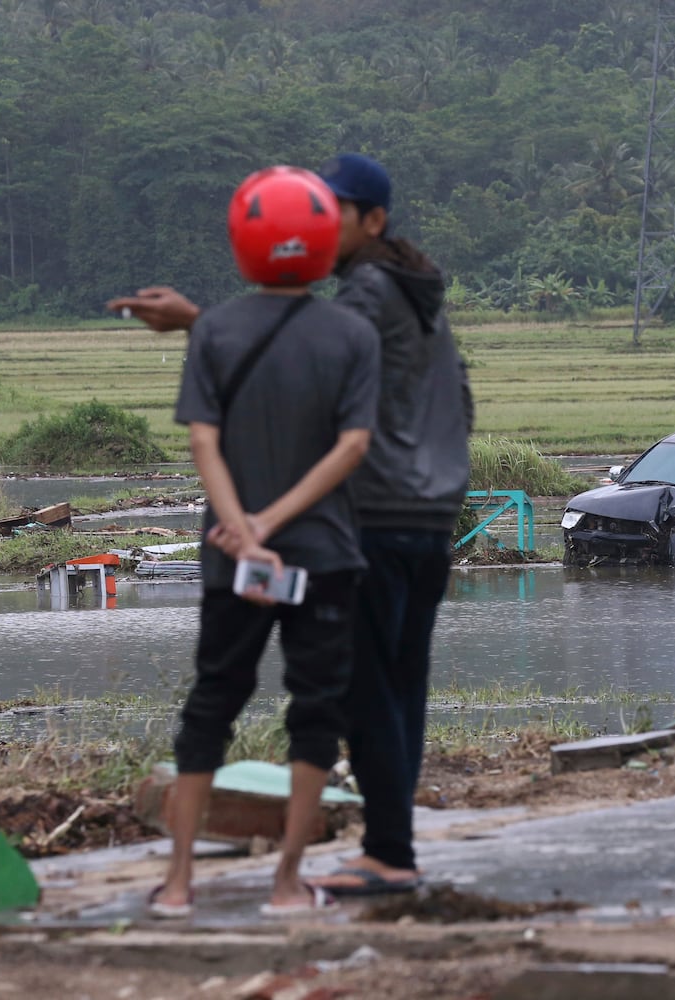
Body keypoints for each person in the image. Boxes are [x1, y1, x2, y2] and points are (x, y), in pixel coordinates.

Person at [112, 153, 473, 897]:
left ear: (371, 221)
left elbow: (298, 352)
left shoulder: (367, 292)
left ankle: (388, 853)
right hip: (432, 510)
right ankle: (392, 848)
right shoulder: (411, 285)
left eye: (329, 208)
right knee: (402, 685)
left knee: (366, 693)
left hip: (374, 513)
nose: (311, 217)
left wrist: (197, 324)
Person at [147, 165, 381, 919]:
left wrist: (244, 531)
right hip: (324, 556)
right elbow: (351, 449)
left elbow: (202, 440)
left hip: (233, 556)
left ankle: (179, 883)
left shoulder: (213, 329)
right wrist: (276, 525)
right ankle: (286, 883)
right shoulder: (351, 331)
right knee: (315, 708)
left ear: (240, 242)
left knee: (212, 699)